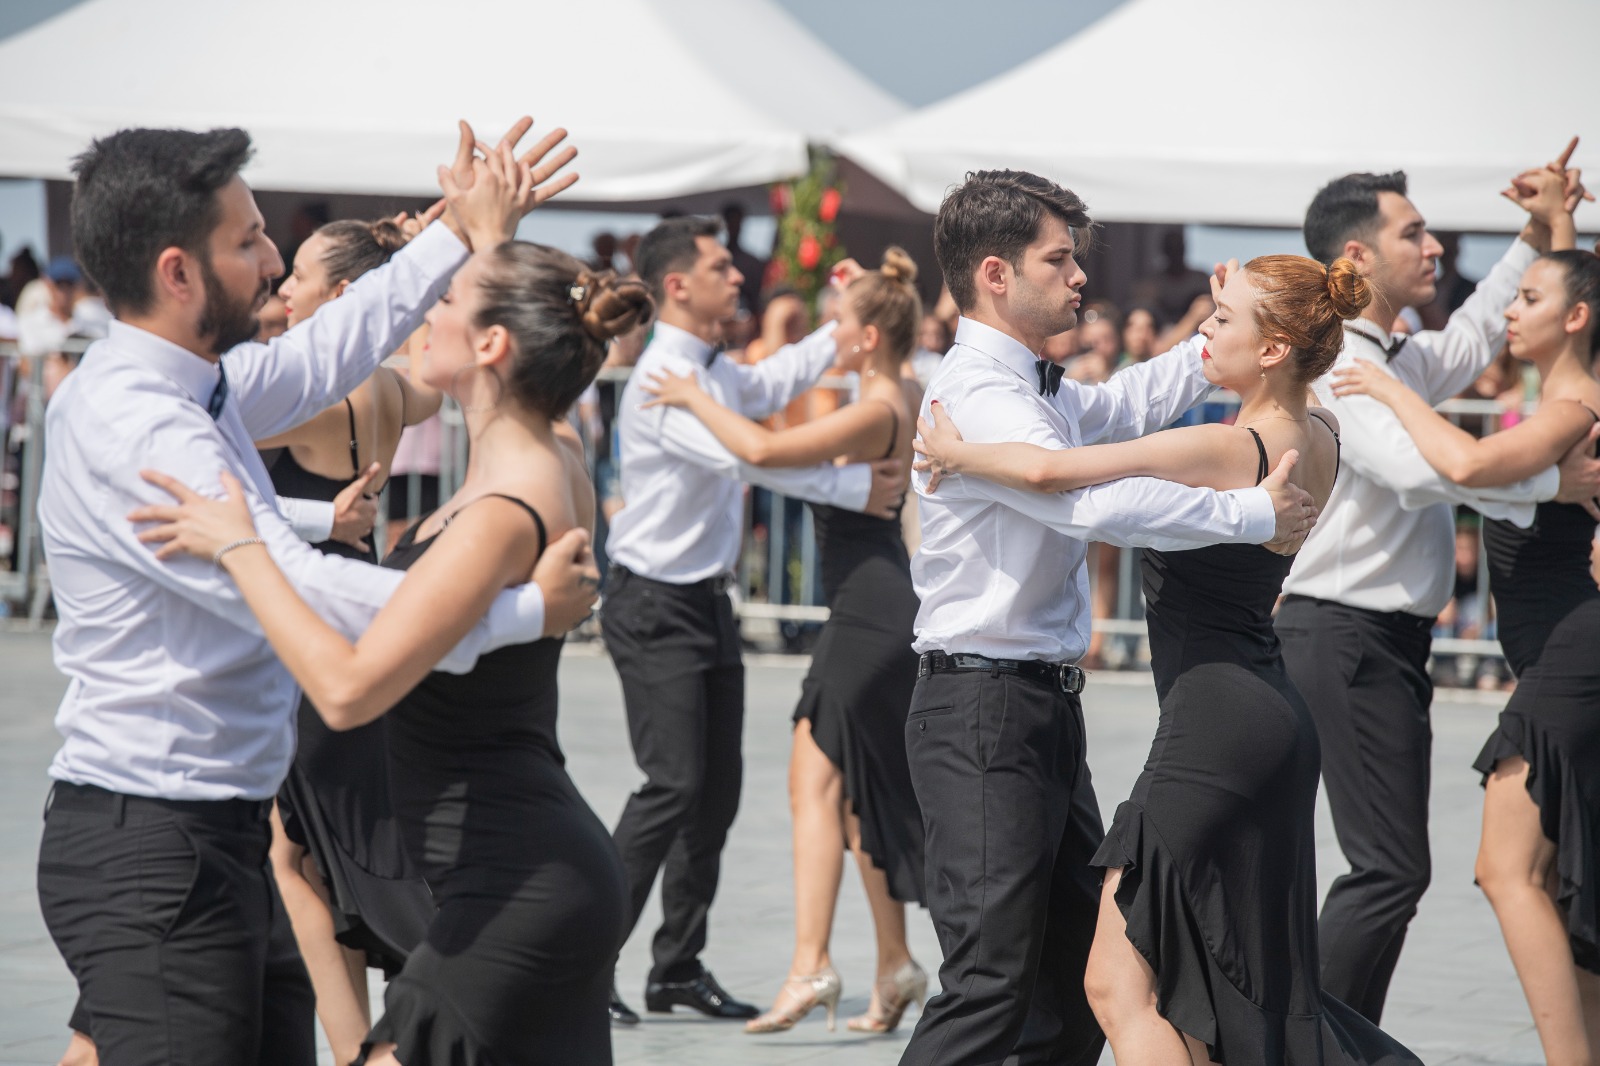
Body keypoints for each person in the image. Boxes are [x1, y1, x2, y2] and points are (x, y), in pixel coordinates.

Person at [34, 119, 596, 1065]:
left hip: (207, 838)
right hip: (157, 845)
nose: (269, 263)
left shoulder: (184, 387)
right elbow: (299, 588)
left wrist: (458, 235)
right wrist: (525, 616)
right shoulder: (141, 424)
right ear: (179, 274)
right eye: (248, 241)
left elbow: (327, 351)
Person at [138, 226, 654, 1064]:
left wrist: (241, 546)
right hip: (504, 868)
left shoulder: (503, 507)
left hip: (517, 879)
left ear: (491, 343)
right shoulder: (532, 460)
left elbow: (346, 690)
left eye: (440, 297)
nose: (418, 309)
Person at [915, 253, 1421, 1064]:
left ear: (1273, 349)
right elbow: (1112, 416)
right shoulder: (1318, 429)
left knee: (1120, 989)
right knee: (1211, 985)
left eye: (1222, 321)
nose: (1203, 332)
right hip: (1262, 713)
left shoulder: (1231, 448)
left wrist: (958, 454)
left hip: (1214, 727)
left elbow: (1057, 477)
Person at [1275, 142, 1600, 1025]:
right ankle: (1320, 1042)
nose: (1433, 249)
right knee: (1387, 869)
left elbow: (1482, 325)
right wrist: (1547, 483)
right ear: (1356, 258)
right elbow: (1421, 471)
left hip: (1379, 641)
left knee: (1386, 871)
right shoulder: (1344, 365)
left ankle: (1331, 1038)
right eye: (1413, 234)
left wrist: (1538, 230)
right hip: (1340, 632)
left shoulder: (1394, 359)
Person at [603, 216, 903, 1025]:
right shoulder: (668, 378)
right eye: (720, 267)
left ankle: (675, 968)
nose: (737, 277)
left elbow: (767, 392)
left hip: (703, 601)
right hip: (653, 601)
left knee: (715, 795)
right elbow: (748, 458)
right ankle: (588, 959)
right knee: (672, 787)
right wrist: (855, 491)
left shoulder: (709, 368)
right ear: (677, 286)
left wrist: (839, 322)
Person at [254, 212, 449, 1066]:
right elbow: (433, 388)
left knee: (311, 852)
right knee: (308, 848)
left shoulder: (307, 401)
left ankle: (379, 1041)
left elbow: (198, 435)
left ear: (340, 296)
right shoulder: (390, 391)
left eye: (298, 276)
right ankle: (366, 1044)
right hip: (361, 613)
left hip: (312, 632)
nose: (281, 288)